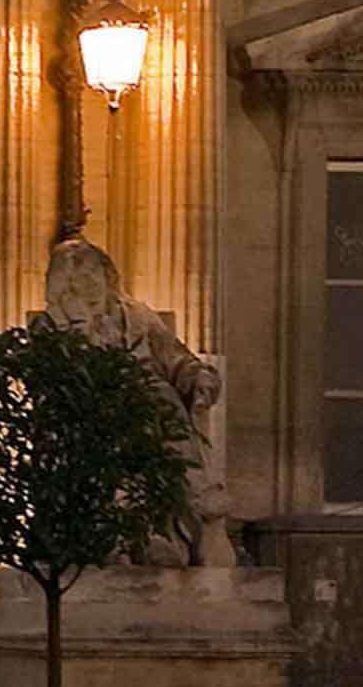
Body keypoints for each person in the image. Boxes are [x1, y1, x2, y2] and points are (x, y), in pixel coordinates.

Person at [44, 234, 236, 567]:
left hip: (152, 397)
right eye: (74, 277)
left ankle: (184, 518)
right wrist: (80, 328)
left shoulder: (139, 316)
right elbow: (58, 373)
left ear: (108, 276)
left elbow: (177, 359)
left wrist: (198, 376)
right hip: (95, 400)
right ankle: (128, 537)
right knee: (131, 417)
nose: (86, 283)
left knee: (164, 406)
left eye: (92, 273)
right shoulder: (55, 325)